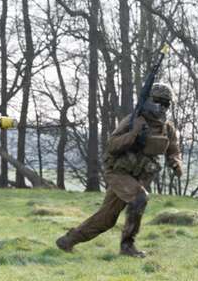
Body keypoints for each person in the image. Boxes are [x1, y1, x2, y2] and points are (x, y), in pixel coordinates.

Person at [56, 83, 183, 257]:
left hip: (138, 177)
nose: (161, 107)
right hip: (118, 173)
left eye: (166, 104)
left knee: (107, 219)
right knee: (140, 198)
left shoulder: (167, 128)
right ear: (148, 101)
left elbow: (173, 149)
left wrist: (175, 163)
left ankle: (67, 241)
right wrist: (133, 134)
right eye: (158, 102)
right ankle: (127, 246)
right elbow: (112, 145)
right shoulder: (134, 121)